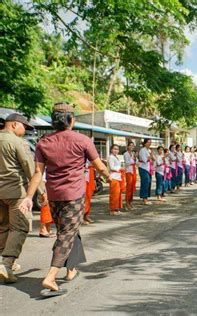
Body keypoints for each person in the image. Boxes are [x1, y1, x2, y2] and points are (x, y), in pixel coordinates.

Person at [19, 102, 111, 296]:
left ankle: (71, 270)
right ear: (71, 120)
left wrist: (29, 197)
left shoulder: (43, 142)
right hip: (73, 196)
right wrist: (109, 177)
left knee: (68, 230)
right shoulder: (82, 140)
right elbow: (100, 167)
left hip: (54, 195)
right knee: (66, 234)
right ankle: (51, 276)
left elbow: (37, 172)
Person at [0, 113, 46, 284]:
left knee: (3, 227)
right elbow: (30, 168)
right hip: (15, 192)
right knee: (20, 227)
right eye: (23, 126)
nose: (24, 130)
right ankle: (6, 263)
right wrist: (41, 191)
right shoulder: (18, 142)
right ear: (13, 124)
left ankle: (3, 261)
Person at [108, 144, 123, 215]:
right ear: (111, 149)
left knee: (118, 194)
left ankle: (116, 208)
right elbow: (111, 167)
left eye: (117, 149)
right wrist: (120, 169)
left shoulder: (116, 157)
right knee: (114, 194)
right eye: (114, 149)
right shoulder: (111, 157)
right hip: (114, 177)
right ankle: (113, 210)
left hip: (118, 177)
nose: (116, 150)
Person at [123, 142, 137, 210]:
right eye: (130, 145)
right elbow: (127, 163)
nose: (132, 147)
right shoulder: (126, 154)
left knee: (132, 187)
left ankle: (130, 201)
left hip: (133, 170)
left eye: (132, 145)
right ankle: (127, 202)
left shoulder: (133, 153)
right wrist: (132, 159)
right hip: (129, 171)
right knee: (129, 187)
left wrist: (134, 159)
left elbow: (135, 162)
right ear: (128, 146)